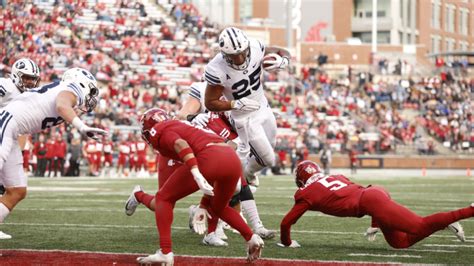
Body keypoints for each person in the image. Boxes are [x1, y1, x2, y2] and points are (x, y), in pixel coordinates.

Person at [124, 108, 264, 265]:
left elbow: (180, 143)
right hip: (230, 158)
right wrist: (204, 204)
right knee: (219, 208)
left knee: (163, 198)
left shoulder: (160, 129)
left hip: (207, 157)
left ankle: (165, 252)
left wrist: (196, 171)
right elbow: (218, 158)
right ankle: (251, 239)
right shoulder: (183, 125)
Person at [0, 67, 107, 239]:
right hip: (6, 124)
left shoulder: (62, 90)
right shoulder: (72, 89)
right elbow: (61, 104)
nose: (91, 95)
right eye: (91, 90)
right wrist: (82, 127)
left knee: (17, 190)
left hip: (12, 130)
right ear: (81, 82)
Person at [278, 160, 471, 249]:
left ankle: (469, 210)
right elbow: (355, 194)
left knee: (418, 225)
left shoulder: (306, 193)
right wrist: (374, 223)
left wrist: (287, 242)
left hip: (371, 201)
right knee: (399, 242)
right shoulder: (335, 176)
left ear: (301, 179)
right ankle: (442, 223)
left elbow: (286, 223)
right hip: (373, 193)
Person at [178, 81, 275, 244]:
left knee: (239, 183)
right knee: (229, 184)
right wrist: (193, 117)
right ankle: (216, 226)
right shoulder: (209, 106)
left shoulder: (233, 112)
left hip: (224, 144)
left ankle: (252, 226)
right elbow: (181, 117)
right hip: (202, 149)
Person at [204, 27, 291, 187]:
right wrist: (234, 104)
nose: (240, 58)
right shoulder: (217, 68)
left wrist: (283, 60)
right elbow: (209, 102)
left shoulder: (255, 46)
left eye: (243, 52)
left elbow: (282, 51)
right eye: (234, 56)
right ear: (224, 54)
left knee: (269, 150)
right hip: (244, 118)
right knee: (269, 160)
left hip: (263, 106)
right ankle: (243, 176)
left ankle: (243, 173)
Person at [0, 58, 41, 240]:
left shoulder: (28, 97)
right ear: (16, 75)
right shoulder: (5, 86)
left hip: (11, 140)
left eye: (33, 79)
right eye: (27, 78)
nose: (31, 82)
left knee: (18, 189)